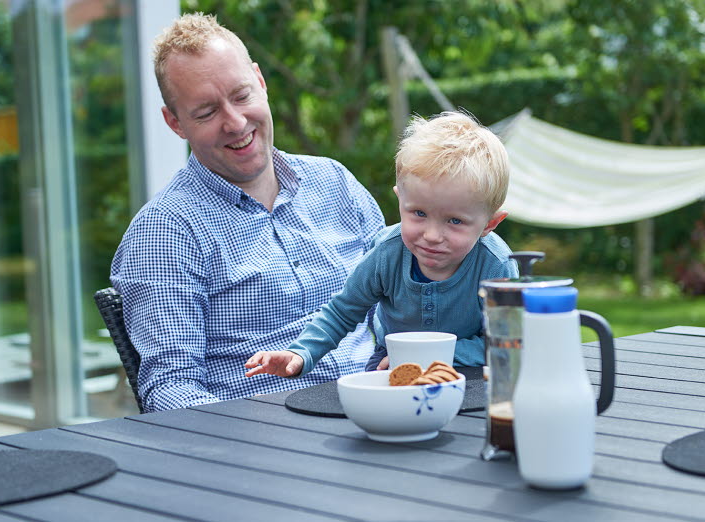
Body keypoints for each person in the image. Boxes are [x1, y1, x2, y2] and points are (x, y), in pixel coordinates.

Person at [110, 13, 385, 411]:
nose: (235, 122)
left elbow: (401, 302)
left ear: (260, 81)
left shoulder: (335, 183)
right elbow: (170, 390)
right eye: (206, 112)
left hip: (385, 410)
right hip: (270, 441)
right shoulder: (165, 233)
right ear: (175, 123)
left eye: (241, 96)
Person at [244, 111, 519, 379]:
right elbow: (343, 310)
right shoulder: (388, 253)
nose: (433, 235)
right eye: (419, 214)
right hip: (391, 358)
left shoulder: (496, 265)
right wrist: (301, 353)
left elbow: (506, 343)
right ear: (401, 200)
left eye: (455, 221)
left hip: (467, 364)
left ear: (489, 224)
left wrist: (430, 355)